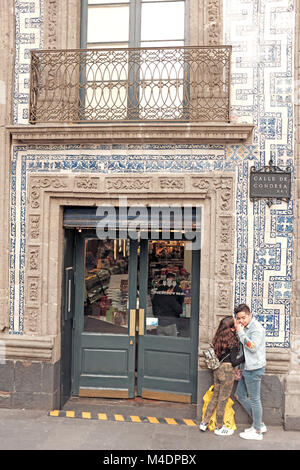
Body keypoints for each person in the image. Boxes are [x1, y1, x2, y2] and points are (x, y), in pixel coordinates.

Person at [199, 316, 244, 436]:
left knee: (215, 396)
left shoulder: (217, 339)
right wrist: (245, 357)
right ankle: (219, 427)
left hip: (217, 369)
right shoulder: (233, 342)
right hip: (228, 370)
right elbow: (234, 361)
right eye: (235, 324)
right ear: (232, 328)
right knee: (223, 400)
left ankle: (204, 422)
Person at [234, 303, 266, 441]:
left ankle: (257, 430)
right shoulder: (246, 327)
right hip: (246, 367)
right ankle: (259, 424)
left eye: (243, 317)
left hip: (254, 369)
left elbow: (252, 347)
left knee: (254, 399)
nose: (241, 321)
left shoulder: (256, 329)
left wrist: (240, 332)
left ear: (250, 315)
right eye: (238, 318)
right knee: (240, 395)